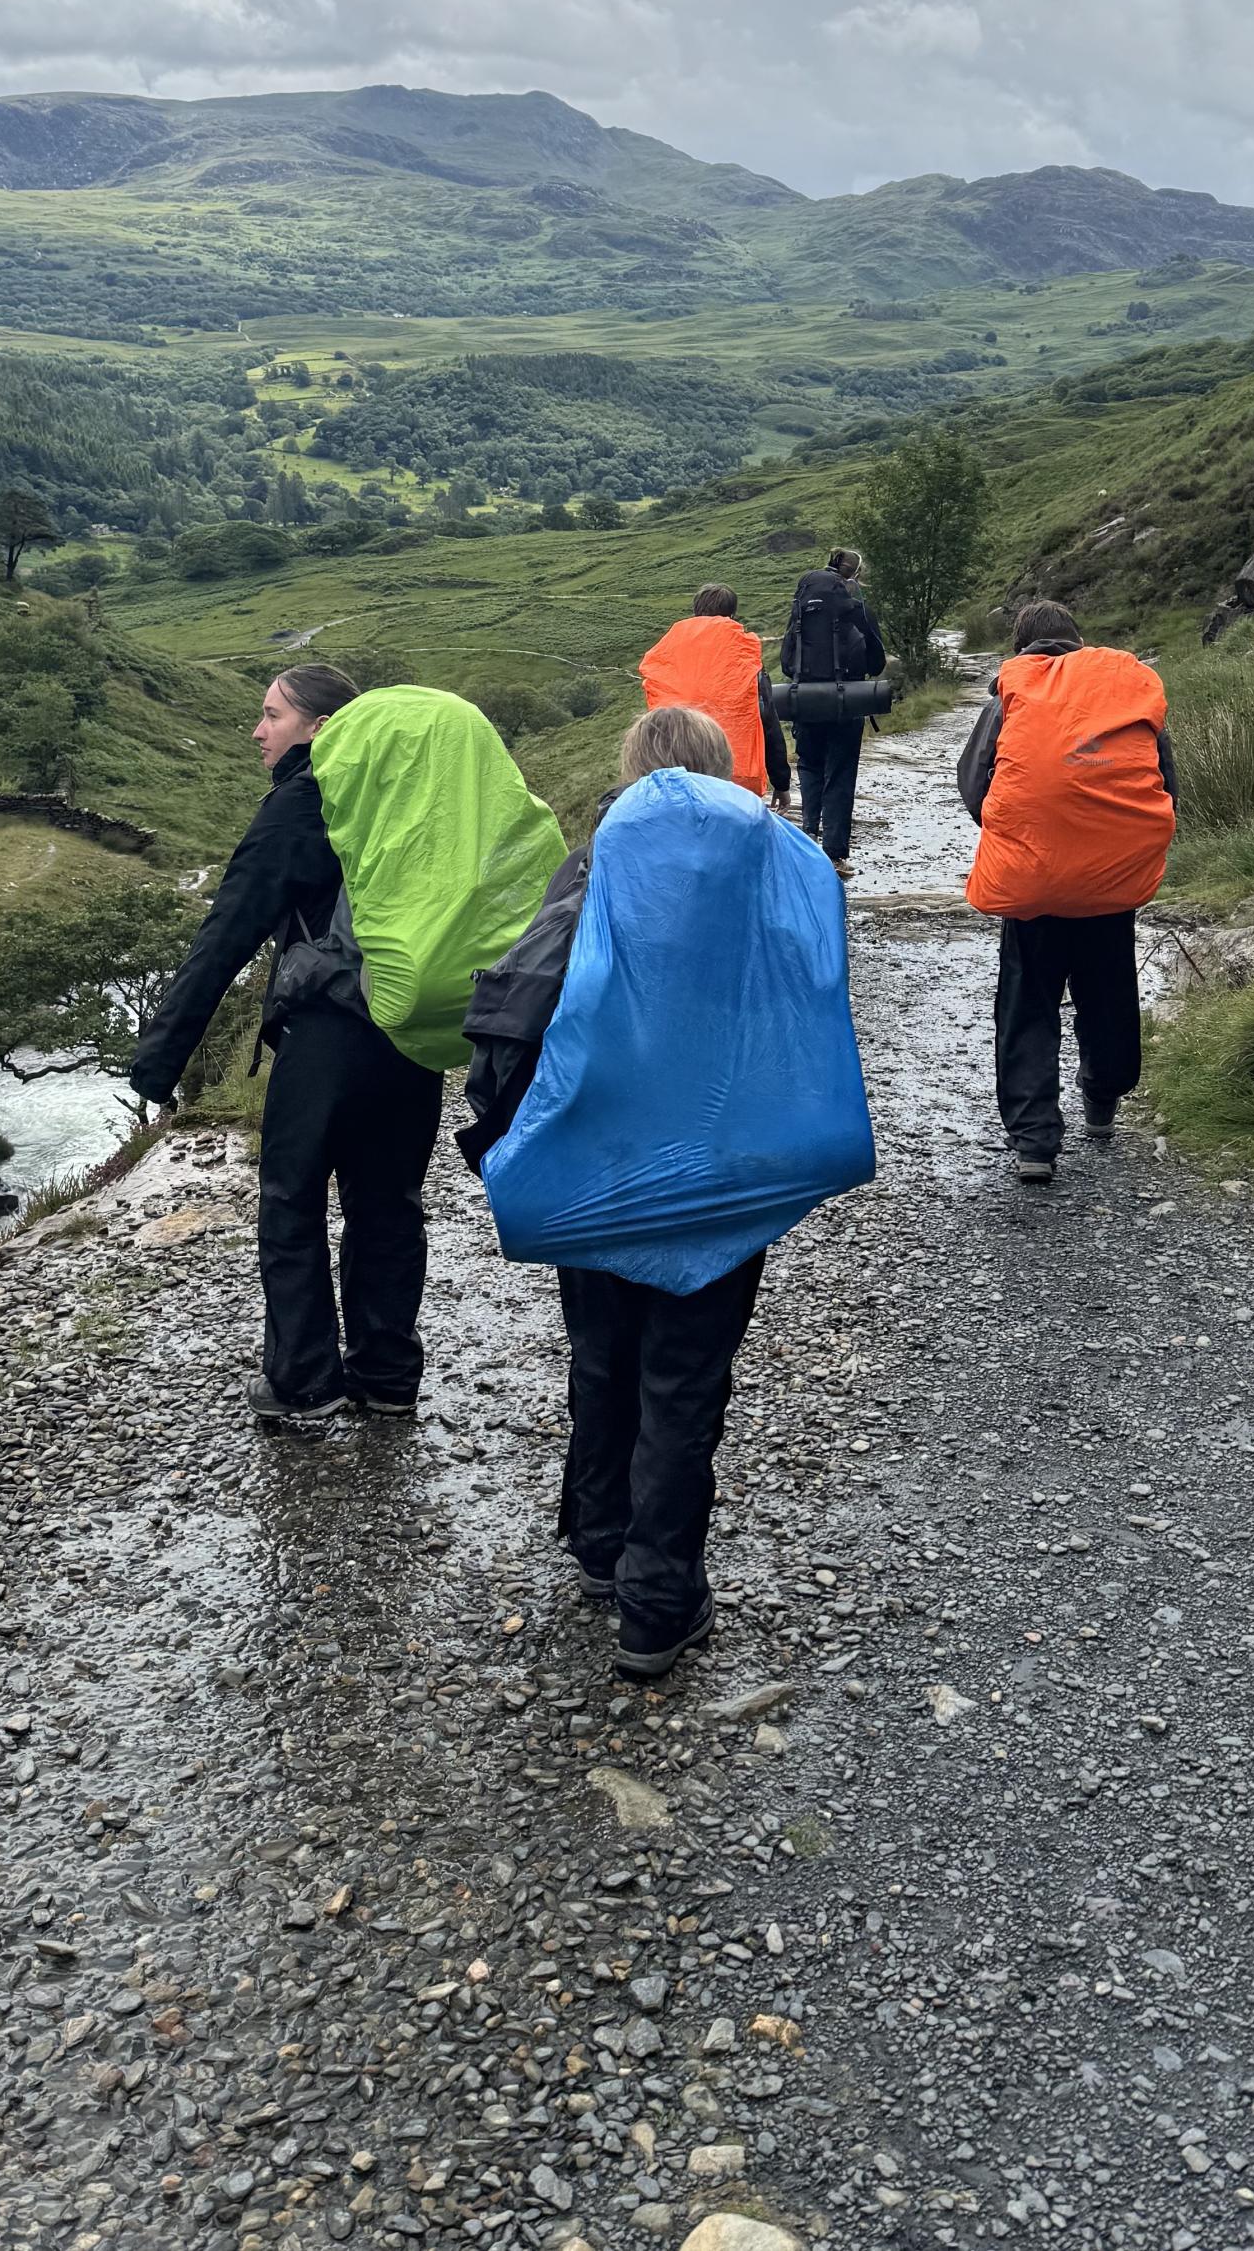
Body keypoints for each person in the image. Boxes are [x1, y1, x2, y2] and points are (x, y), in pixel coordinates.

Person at [460, 704, 871, 1680]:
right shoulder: (772, 867)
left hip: (597, 1176)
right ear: (725, 772)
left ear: (632, 774)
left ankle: (601, 1548)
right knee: (684, 1388)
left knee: (602, 1362)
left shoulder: (601, 863)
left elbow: (519, 1007)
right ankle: (658, 1605)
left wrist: (506, 1149)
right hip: (725, 1185)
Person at [128, 662, 442, 1426]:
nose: (257, 730)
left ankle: (305, 1382)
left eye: (272, 715)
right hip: (410, 1029)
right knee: (389, 1202)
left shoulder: (305, 802)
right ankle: (388, 1374)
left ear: (320, 728)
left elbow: (226, 932)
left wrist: (160, 1059)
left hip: (327, 1030)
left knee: (291, 1198)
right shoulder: (415, 797)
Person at [959, 598, 1177, 1185]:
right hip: (1110, 885)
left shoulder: (1010, 697)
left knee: (1028, 999)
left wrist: (1023, 835)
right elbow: (1165, 785)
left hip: (1031, 884)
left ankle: (1035, 1144)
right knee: (1107, 990)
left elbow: (975, 785)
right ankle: (1102, 1104)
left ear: (1020, 647)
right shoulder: (1122, 694)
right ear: (1078, 642)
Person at [779, 546, 886, 872]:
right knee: (839, 775)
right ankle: (835, 854)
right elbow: (877, 662)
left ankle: (808, 835)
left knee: (810, 768)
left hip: (806, 704)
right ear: (854, 573)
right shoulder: (858, 608)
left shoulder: (801, 611)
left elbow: (786, 664)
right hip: (846, 704)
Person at [638, 582, 790, 804]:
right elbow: (766, 719)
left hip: (675, 778)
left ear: (696, 611)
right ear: (732, 614)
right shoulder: (743, 652)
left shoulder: (666, 650)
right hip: (733, 780)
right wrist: (781, 782)